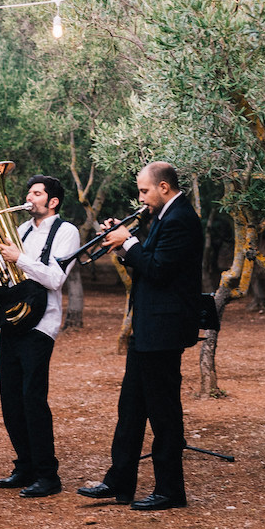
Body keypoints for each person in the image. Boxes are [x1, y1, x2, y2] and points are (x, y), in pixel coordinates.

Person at [77, 161, 203, 511]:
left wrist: (128, 241)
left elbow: (160, 271)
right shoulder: (164, 216)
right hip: (149, 327)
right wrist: (121, 244)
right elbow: (149, 262)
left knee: (163, 413)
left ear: (164, 187)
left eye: (144, 191)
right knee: (130, 408)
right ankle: (120, 481)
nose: (140, 198)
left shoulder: (182, 220)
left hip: (164, 330)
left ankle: (170, 491)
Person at [0, 174, 81, 498]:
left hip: (43, 325)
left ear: (52, 201)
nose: (29, 197)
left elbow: (56, 277)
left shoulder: (67, 232)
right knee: (10, 399)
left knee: (33, 399)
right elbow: (11, 275)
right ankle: (25, 466)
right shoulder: (22, 231)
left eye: (37, 192)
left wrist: (20, 258)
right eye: (28, 191)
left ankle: (48, 475)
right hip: (14, 321)